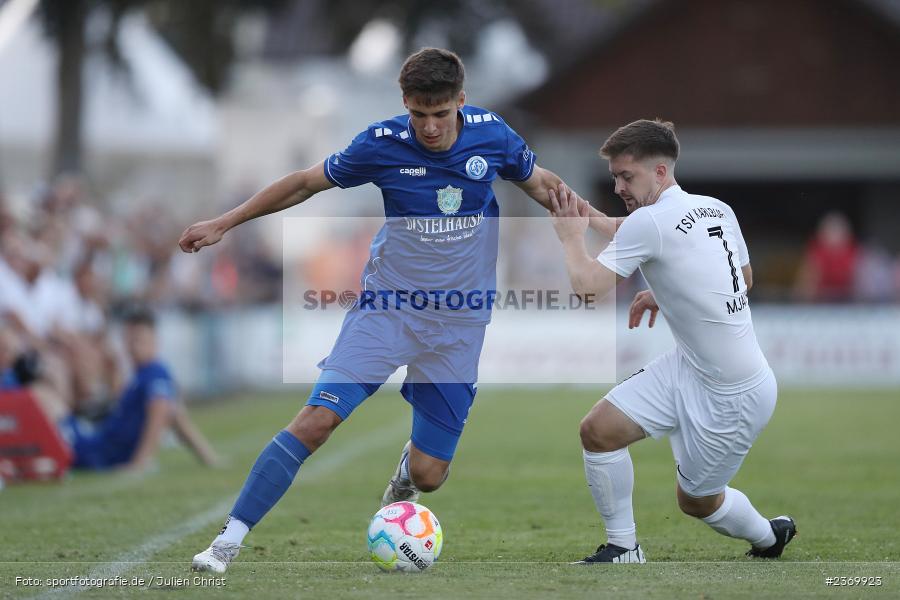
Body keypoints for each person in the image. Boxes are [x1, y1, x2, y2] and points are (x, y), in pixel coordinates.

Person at [183, 48, 595, 574]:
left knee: (429, 475)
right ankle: (226, 542)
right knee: (316, 421)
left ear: (460, 103)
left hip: (460, 324)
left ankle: (405, 472)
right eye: (418, 114)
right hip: (388, 310)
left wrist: (601, 222)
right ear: (405, 104)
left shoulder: (492, 135)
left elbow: (541, 185)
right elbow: (306, 182)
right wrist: (225, 222)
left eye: (440, 114)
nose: (429, 126)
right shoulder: (379, 144)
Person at [549, 119, 795, 563]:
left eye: (628, 176)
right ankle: (623, 547)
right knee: (598, 431)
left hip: (733, 395)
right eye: (616, 177)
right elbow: (744, 277)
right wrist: (675, 293)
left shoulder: (651, 222)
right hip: (690, 368)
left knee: (696, 501)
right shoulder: (716, 208)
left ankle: (768, 536)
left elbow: (589, 287)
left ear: (659, 172)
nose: (620, 185)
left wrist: (570, 236)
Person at [57, 306, 219, 471]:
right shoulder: (139, 374)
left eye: (139, 339)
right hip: (99, 442)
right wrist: (207, 456)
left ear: (154, 339)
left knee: (46, 401)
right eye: (129, 339)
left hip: (100, 452)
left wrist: (140, 462)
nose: (133, 346)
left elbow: (160, 412)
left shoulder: (155, 373)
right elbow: (174, 415)